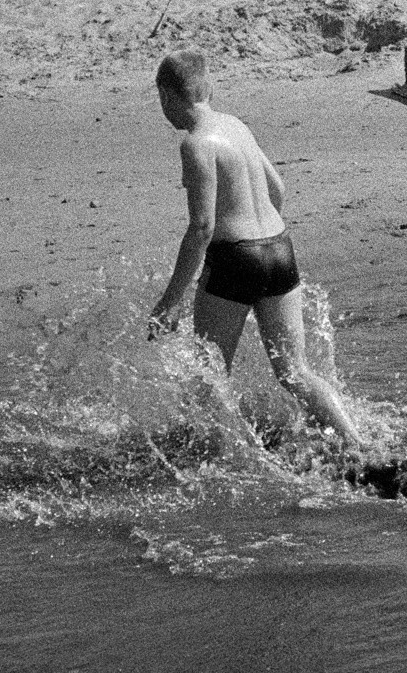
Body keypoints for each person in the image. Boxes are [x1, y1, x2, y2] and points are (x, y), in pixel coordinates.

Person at [147, 50, 363, 446]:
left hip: (234, 258)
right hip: (279, 251)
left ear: (165, 96)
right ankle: (359, 445)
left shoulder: (196, 145)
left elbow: (201, 228)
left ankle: (220, 456)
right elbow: (278, 188)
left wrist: (171, 299)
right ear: (207, 87)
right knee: (295, 371)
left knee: (209, 374)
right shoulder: (236, 126)